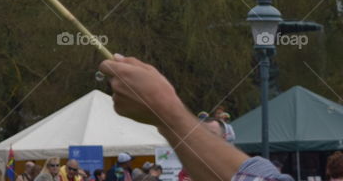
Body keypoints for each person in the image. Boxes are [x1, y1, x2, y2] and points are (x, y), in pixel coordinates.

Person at [99, 54, 284, 181]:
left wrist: (166, 111)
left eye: (212, 136)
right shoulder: (185, 171)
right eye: (201, 132)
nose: (200, 137)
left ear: (228, 138)